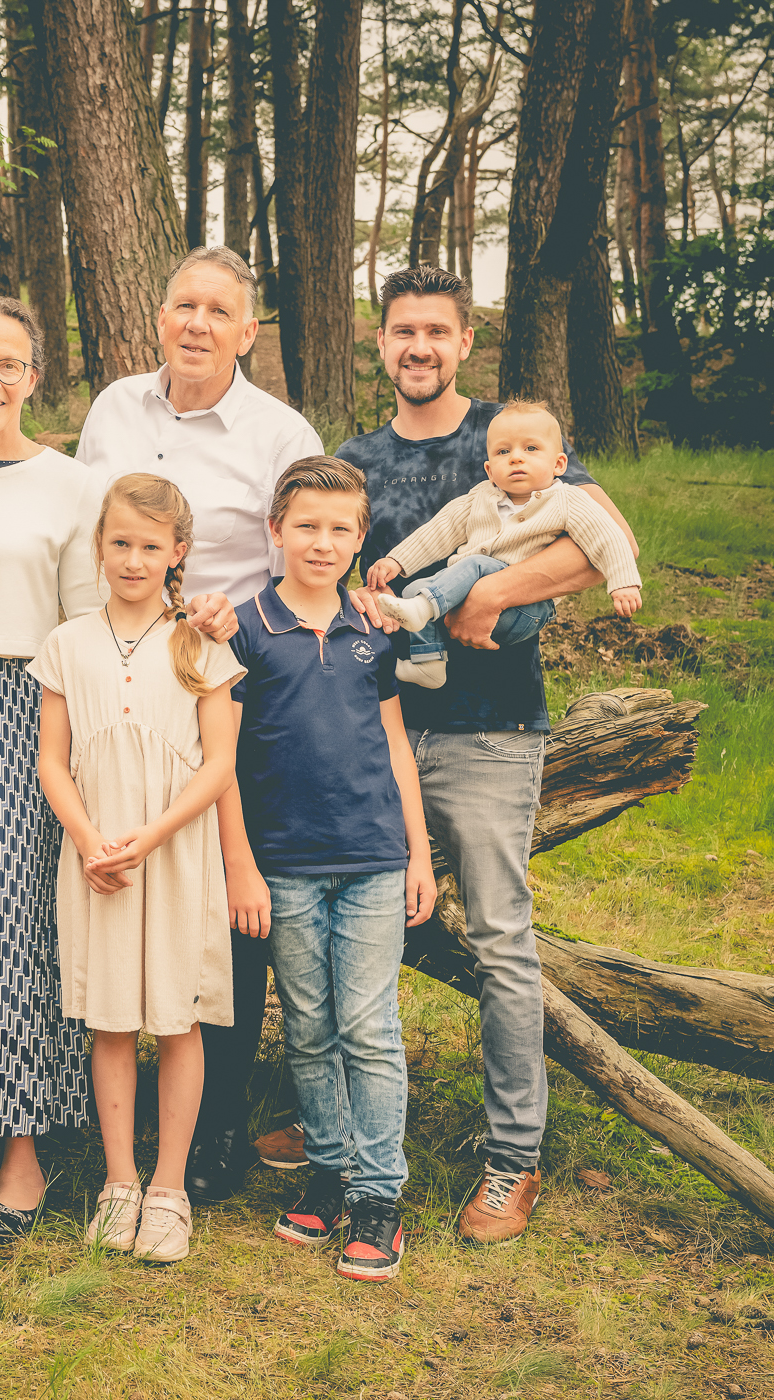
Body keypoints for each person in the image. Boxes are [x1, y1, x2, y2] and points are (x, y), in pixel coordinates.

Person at [0, 292, 241, 1238]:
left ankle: (23, 1147)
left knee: (4, 915)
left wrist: (195, 628)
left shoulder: (73, 485)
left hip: (9, 699)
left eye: (8, 365)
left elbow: (94, 625)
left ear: (35, 378)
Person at [337, 265, 638, 1244]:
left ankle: (513, 1158)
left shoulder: (512, 433)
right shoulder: (355, 455)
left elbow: (601, 541)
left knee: (498, 936)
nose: (416, 345)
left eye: (435, 329)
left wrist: (491, 593)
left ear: (464, 342)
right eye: (399, 330)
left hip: (490, 724)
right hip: (375, 723)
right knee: (356, 923)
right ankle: (343, 1126)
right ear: (378, 345)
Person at [76, 245, 384, 1202]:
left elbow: (303, 538)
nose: (198, 324)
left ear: (249, 332)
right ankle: (108, 1131)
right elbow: (95, 532)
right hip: (121, 675)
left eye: (219, 311)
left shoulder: (278, 427)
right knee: (130, 891)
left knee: (224, 912)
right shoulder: (115, 409)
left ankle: (210, 1136)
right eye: (183, 307)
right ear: (159, 317)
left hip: (231, 680)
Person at [221, 458, 435, 1283]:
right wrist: (240, 863)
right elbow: (225, 762)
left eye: (341, 528)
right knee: (307, 1026)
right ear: (275, 530)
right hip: (286, 866)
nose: (322, 542)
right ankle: (328, 1170)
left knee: (369, 1028)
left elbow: (393, 745)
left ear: (360, 538)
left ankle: (379, 1196)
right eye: (306, 525)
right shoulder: (245, 629)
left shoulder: (374, 628)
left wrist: (417, 852)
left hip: (375, 858)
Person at [31, 475, 243, 1265]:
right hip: (97, 859)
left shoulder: (199, 645)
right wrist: (89, 841)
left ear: (177, 554)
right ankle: (119, 1181)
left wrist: (149, 837)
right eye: (119, 542)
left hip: (174, 852)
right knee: (112, 1017)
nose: (132, 558)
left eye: (150, 546)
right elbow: (54, 761)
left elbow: (219, 763)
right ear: (99, 546)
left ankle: (168, 1188)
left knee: (176, 1019)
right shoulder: (66, 643)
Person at [368, 399, 643, 689]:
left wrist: (623, 582)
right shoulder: (480, 498)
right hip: (463, 602)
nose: (516, 458)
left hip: (525, 609)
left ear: (559, 463)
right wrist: (396, 562)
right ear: (489, 469)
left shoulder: (566, 500)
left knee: (472, 565)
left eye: (531, 449)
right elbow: (438, 531)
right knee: (412, 589)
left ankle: (424, 608)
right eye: (503, 451)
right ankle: (428, 665)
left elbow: (607, 535)